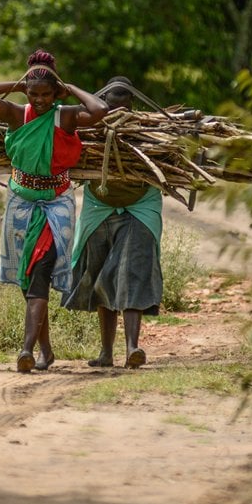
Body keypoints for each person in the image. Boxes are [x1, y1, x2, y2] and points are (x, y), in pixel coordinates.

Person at [0, 50, 108, 373]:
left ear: (55, 91)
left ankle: (26, 350)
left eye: (47, 94)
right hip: (20, 204)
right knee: (28, 279)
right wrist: (19, 86)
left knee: (41, 271)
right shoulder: (18, 114)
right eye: (35, 94)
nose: (41, 100)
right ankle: (45, 349)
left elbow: (100, 109)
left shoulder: (65, 116)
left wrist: (69, 88)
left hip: (55, 206)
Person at [63, 77, 163, 369]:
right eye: (111, 105)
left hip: (140, 206)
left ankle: (133, 347)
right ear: (103, 103)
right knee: (99, 275)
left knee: (132, 271)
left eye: (124, 105)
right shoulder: (89, 127)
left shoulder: (150, 130)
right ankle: (107, 352)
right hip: (99, 206)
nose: (118, 111)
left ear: (132, 105)